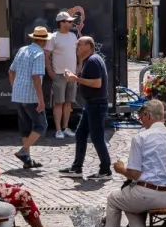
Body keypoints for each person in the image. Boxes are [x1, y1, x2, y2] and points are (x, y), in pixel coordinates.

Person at [105, 99, 166, 227]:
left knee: (114, 199)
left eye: (141, 119)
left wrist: (120, 169)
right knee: (128, 200)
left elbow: (134, 174)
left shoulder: (141, 137)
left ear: (147, 116)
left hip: (147, 194)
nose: (141, 122)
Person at [62, 36, 112, 178]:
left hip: (96, 104)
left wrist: (75, 79)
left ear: (89, 46)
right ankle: (77, 168)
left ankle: (105, 170)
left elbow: (97, 83)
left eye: (79, 44)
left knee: (97, 138)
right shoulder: (89, 60)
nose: (76, 47)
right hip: (91, 104)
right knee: (80, 133)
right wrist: (73, 75)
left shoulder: (93, 61)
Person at [8, 25, 49, 168]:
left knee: (25, 127)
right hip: (31, 97)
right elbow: (36, 77)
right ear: (44, 41)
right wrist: (41, 100)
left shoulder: (22, 50)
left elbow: (11, 71)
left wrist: (16, 87)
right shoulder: (39, 54)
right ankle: (23, 151)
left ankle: (27, 160)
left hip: (18, 95)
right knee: (41, 125)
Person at [47, 10, 82, 138]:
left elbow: (78, 52)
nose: (72, 23)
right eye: (69, 21)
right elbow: (47, 54)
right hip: (59, 74)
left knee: (68, 102)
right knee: (58, 103)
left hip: (71, 75)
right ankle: (58, 130)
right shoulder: (53, 37)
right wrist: (50, 71)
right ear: (62, 23)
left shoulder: (73, 36)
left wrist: (79, 65)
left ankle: (65, 127)